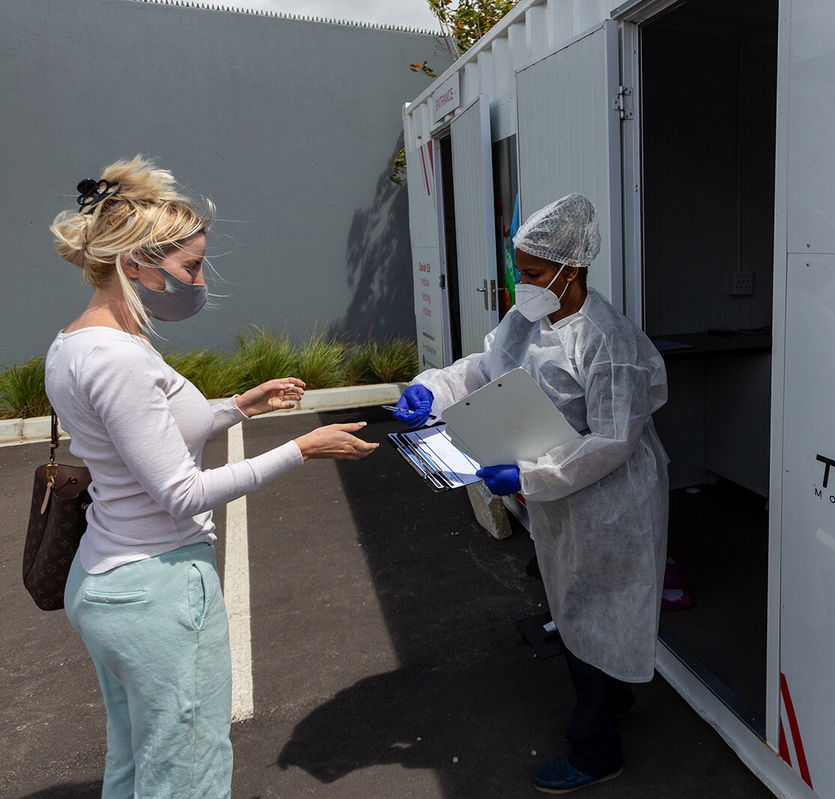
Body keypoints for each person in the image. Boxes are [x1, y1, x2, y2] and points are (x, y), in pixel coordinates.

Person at [45, 156, 378, 799]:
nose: (198, 280)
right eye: (190, 266)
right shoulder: (119, 359)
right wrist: (301, 450)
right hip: (157, 590)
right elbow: (182, 493)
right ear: (134, 263)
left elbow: (142, 441)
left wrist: (237, 407)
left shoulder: (79, 343)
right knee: (186, 774)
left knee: (138, 760)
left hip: (109, 580)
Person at [394, 194, 669, 793]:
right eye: (520, 271)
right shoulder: (530, 318)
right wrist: (430, 389)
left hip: (609, 500)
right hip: (561, 493)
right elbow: (485, 368)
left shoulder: (606, 341)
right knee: (574, 602)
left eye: (536, 274)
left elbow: (613, 441)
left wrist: (528, 477)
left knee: (595, 609)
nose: (525, 286)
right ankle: (611, 697)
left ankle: (598, 752)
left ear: (572, 271)